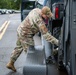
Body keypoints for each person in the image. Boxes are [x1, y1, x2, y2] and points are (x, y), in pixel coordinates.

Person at [6, 6, 59, 72]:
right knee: (31, 53)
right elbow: (47, 36)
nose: (48, 17)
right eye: (47, 16)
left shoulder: (36, 10)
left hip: (20, 29)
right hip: (25, 34)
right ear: (42, 14)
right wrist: (58, 43)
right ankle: (32, 71)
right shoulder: (39, 21)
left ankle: (11, 63)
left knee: (19, 47)